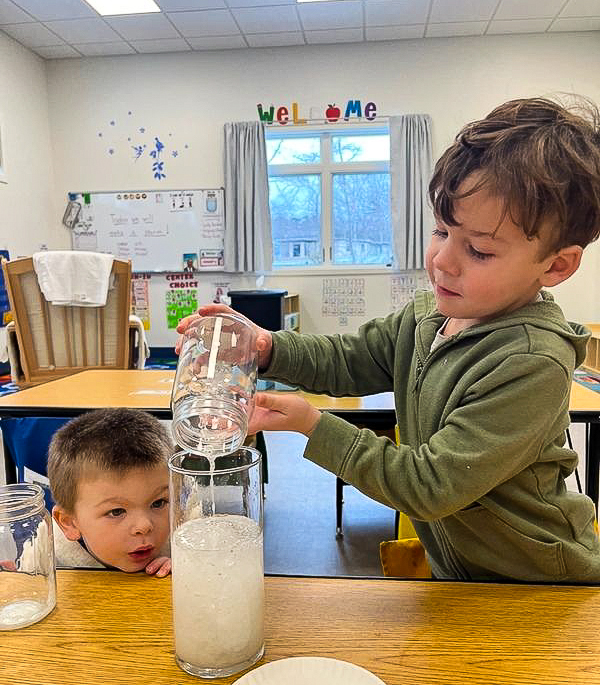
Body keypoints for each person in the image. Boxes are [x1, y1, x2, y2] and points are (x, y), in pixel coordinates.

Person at [179, 96, 600, 583]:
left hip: (539, 585)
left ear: (555, 266)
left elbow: (430, 484)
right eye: (441, 231)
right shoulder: (428, 316)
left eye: (480, 251)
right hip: (464, 576)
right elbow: (348, 359)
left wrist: (314, 426)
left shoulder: (530, 361)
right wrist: (267, 346)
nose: (443, 260)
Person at [32, 408, 172, 576]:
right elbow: (28, 589)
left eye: (158, 503)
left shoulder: (183, 536)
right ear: (70, 523)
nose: (144, 526)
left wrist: (190, 569)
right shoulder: (45, 551)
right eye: (117, 511)